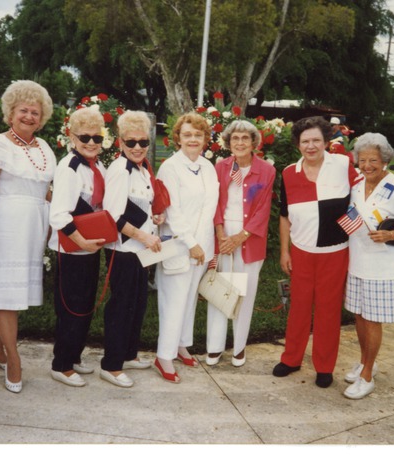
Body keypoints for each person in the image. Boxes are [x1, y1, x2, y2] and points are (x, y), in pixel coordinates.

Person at [0, 80, 56, 393]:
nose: (30, 116)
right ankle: (14, 359)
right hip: (5, 226)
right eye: (24, 110)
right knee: (7, 295)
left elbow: (44, 190)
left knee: (11, 293)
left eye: (35, 112)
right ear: (10, 113)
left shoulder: (44, 148)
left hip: (33, 228)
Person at [273, 116, 361, 388]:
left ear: (326, 141)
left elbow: (364, 196)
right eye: (305, 141)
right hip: (301, 250)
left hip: (335, 252)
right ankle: (291, 358)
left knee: (327, 310)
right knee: (298, 307)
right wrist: (285, 251)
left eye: (316, 140)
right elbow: (285, 215)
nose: (310, 146)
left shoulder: (343, 164)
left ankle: (324, 366)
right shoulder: (289, 172)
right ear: (297, 144)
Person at [343, 133, 394, 399]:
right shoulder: (356, 185)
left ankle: (367, 377)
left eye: (373, 160)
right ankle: (368, 362)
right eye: (362, 160)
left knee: (373, 319)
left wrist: (391, 235)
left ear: (385, 160)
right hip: (358, 261)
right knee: (359, 315)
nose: (367, 165)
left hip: (384, 265)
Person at [154, 112, 219, 383]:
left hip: (201, 246)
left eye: (198, 135)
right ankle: (163, 356)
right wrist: (191, 244)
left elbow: (210, 208)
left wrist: (204, 246)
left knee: (190, 298)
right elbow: (173, 210)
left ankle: (181, 344)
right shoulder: (170, 167)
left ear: (205, 139)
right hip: (179, 245)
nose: (193, 139)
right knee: (173, 300)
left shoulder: (207, 166)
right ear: (178, 137)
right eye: (187, 134)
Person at [100, 110, 163, 388]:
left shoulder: (142, 168)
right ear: (120, 143)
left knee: (137, 305)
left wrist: (155, 219)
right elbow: (112, 216)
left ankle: (128, 354)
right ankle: (111, 365)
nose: (138, 148)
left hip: (140, 250)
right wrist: (145, 237)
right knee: (121, 307)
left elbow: (140, 205)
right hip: (123, 251)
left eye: (143, 142)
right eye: (131, 142)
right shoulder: (119, 169)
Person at [205, 120, 275, 367]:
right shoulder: (220, 167)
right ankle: (214, 346)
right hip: (222, 234)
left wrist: (239, 238)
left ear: (254, 142)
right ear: (228, 142)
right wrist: (222, 234)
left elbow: (263, 210)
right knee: (220, 290)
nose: (240, 143)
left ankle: (239, 347)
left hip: (249, 237)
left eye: (245, 138)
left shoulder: (266, 170)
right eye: (235, 138)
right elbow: (213, 203)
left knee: (244, 293)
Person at [47, 107, 108, 387]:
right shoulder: (69, 167)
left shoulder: (98, 166)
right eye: (85, 136)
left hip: (90, 247)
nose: (92, 142)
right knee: (70, 307)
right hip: (72, 248)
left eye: (97, 136)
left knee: (85, 305)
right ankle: (60, 364)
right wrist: (82, 242)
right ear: (72, 137)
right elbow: (59, 214)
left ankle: (73, 355)